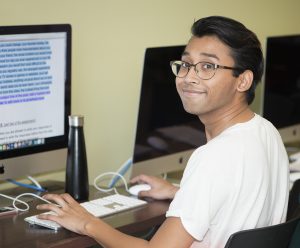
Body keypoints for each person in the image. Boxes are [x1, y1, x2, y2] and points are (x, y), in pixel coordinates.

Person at [37, 16, 289, 248]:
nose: (189, 77)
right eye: (186, 64)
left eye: (207, 66)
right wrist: (182, 193)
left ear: (242, 80)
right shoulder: (266, 131)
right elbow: (239, 199)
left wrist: (86, 222)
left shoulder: (215, 156)